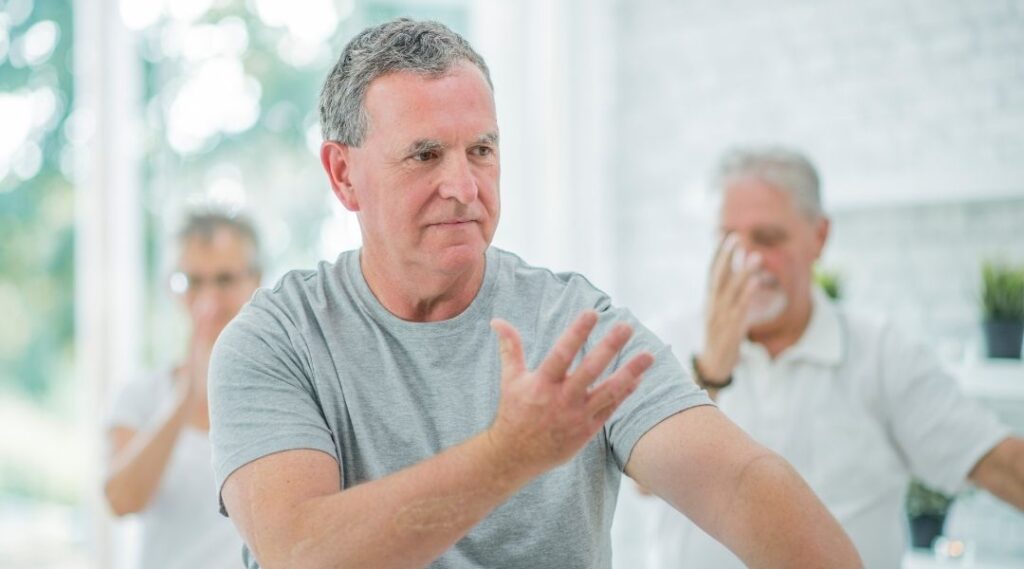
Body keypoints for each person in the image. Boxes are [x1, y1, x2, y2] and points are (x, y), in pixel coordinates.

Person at [207, 19, 862, 569]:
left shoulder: (572, 323)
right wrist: (508, 455)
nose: (463, 186)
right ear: (343, 174)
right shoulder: (276, 340)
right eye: (426, 155)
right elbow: (299, 549)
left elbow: (737, 481)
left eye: (482, 150)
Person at [645, 147, 1024, 568]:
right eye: (728, 240)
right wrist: (712, 369)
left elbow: (1001, 465)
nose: (747, 260)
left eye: (768, 239)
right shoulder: (670, 339)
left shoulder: (880, 352)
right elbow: (643, 482)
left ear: (819, 237)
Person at [104, 211, 261, 569]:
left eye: (224, 280)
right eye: (193, 281)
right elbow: (121, 500)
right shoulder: (139, 395)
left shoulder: (288, 392)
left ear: (256, 279)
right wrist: (186, 394)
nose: (209, 300)